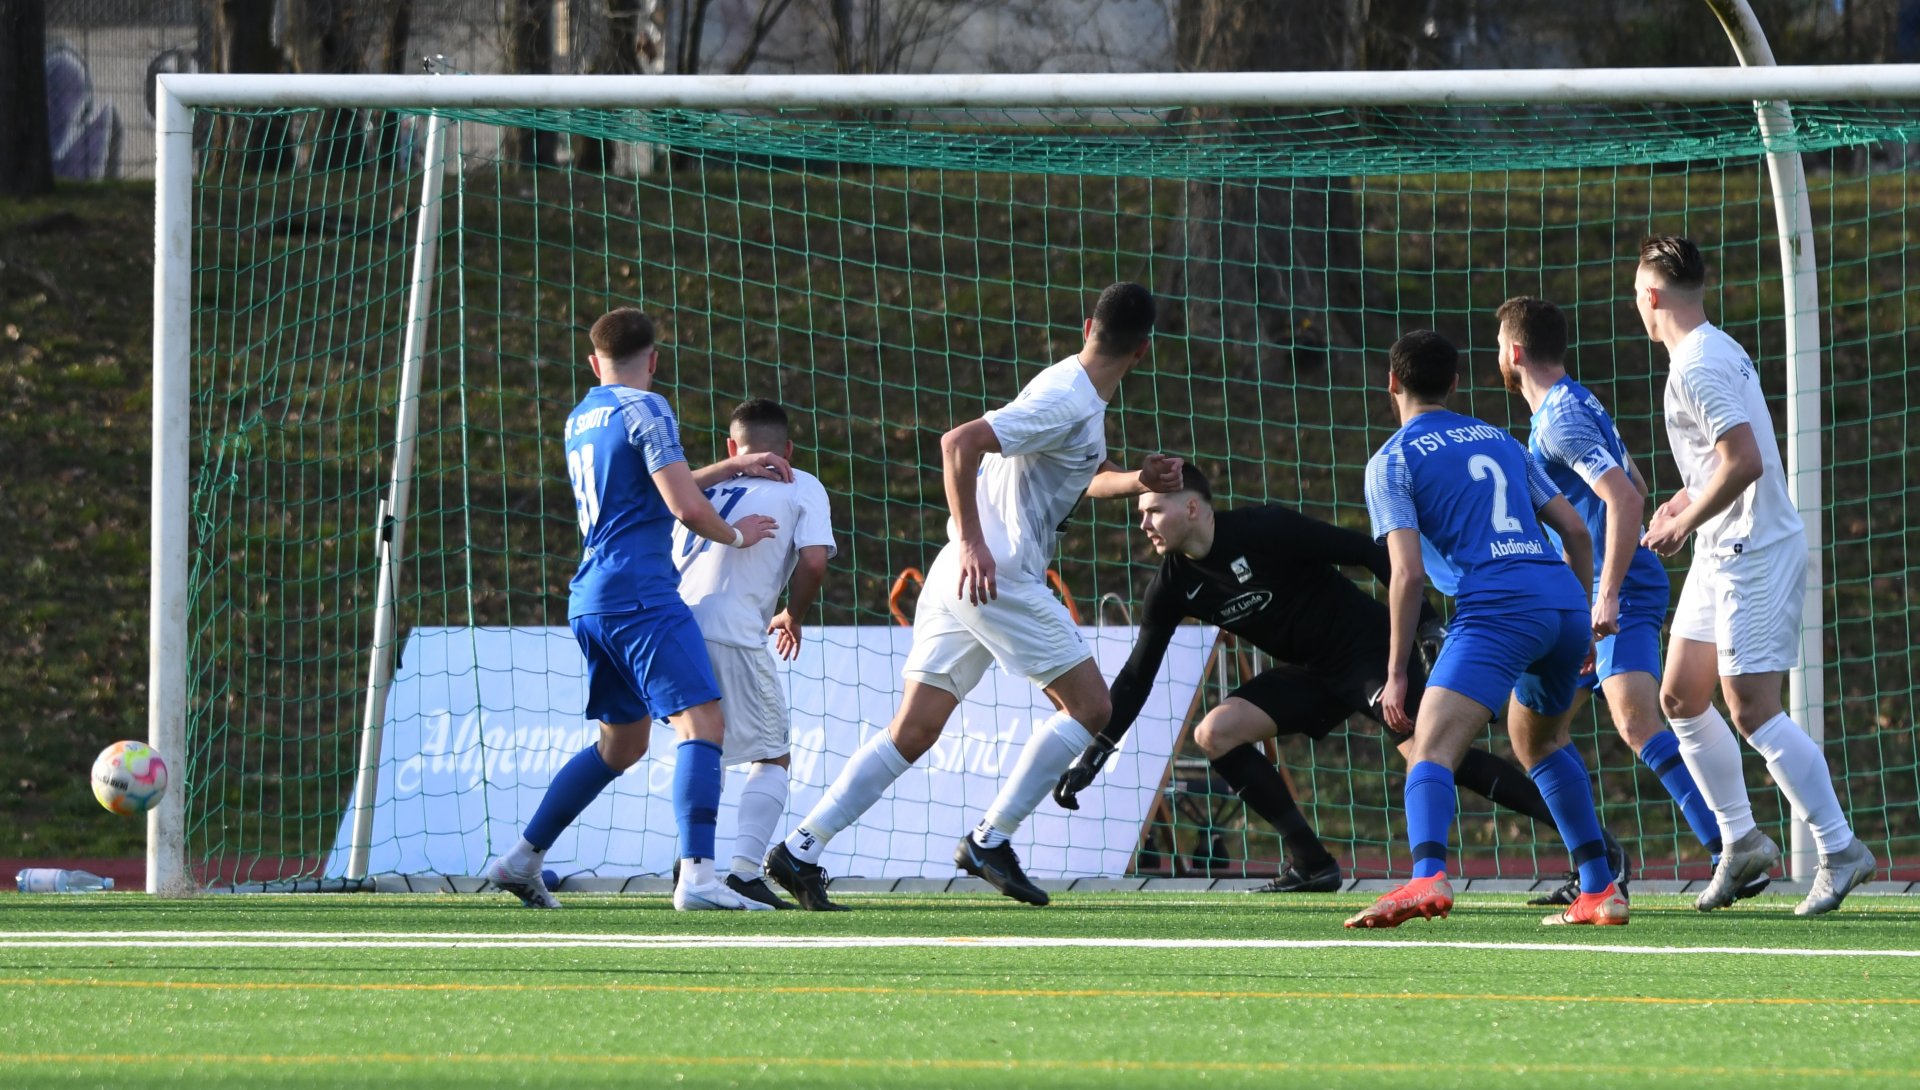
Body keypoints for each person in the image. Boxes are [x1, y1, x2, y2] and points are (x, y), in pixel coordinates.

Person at [764, 281, 1184, 910]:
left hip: (962, 575)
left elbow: (1083, 476)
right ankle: (991, 839)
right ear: (1145, 350)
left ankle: (797, 851)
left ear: (1086, 325)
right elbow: (957, 443)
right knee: (1093, 709)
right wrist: (973, 543)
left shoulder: (1072, 392)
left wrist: (1136, 480)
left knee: (914, 729)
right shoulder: (1069, 398)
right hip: (996, 573)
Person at [1050, 463, 1623, 894]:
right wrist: (1095, 751)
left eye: (1153, 509)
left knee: (1438, 755)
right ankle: (1313, 863)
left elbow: (1372, 554)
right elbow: (1136, 677)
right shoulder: (1173, 583)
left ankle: (1595, 848)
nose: (1143, 521)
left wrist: (1423, 629)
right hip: (1312, 673)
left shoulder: (1265, 528)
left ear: (1195, 508)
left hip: (1369, 654)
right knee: (1214, 733)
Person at [485, 307, 790, 912]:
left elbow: (650, 487)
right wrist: (737, 535)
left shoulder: (581, 417)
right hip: (641, 594)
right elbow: (683, 507)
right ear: (654, 359)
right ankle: (699, 880)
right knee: (703, 726)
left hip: (592, 599)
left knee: (620, 746)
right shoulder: (648, 407)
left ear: (592, 362)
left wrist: (730, 466)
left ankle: (521, 859)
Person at [1350, 329, 1626, 928]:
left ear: (1392, 383)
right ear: (1454, 384)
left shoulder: (1393, 459)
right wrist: (1580, 618)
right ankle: (1600, 889)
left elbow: (1406, 575)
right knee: (1541, 743)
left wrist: (1396, 675)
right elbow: (1577, 532)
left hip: (1496, 608)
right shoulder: (1500, 439)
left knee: (1431, 747)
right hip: (1560, 600)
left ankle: (1426, 876)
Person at [1633, 236, 1874, 915]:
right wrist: (1682, 503)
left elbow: (1745, 462)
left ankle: (1840, 848)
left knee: (1752, 709)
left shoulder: (1697, 365)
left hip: (1756, 550)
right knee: (1680, 696)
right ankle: (1742, 844)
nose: (1637, 309)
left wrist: (1682, 523)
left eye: (1636, 297)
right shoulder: (1710, 348)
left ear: (1651, 296)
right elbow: (1722, 463)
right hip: (1722, 547)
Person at [1493, 295, 1757, 906]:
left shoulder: (1560, 418)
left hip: (1616, 587)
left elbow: (1626, 499)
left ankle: (1728, 848)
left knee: (1635, 719)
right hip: (1585, 588)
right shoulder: (1575, 404)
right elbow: (1634, 483)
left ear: (1514, 352)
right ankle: (1600, 865)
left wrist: (1606, 592)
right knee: (1534, 733)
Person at [671, 399, 836, 910]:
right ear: (787, 449)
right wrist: (795, 614)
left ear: (730, 448)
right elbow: (813, 560)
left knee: (703, 745)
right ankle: (743, 871)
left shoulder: (700, 485)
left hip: (675, 627)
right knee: (772, 753)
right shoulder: (800, 482)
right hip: (734, 631)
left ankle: (692, 863)